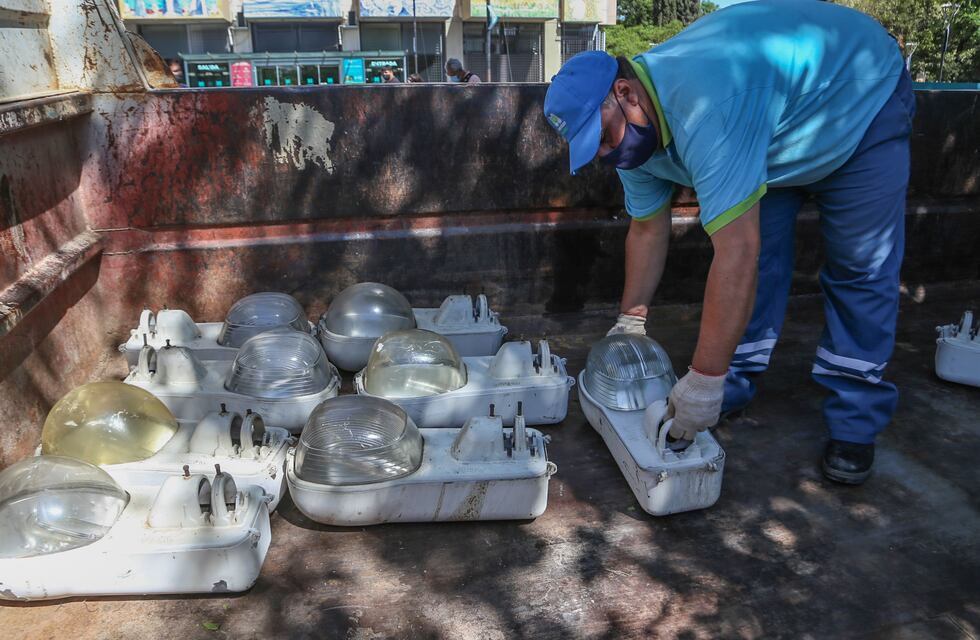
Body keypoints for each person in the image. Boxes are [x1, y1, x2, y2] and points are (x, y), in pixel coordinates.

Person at [544, 0, 914, 485]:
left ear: (625, 92)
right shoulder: (638, 139)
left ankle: (854, 418)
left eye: (605, 139)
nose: (608, 156)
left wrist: (700, 379)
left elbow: (735, 251)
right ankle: (733, 380)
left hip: (858, 98)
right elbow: (648, 228)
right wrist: (629, 320)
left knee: (860, 266)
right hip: (777, 126)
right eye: (595, 150)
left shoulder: (707, 109)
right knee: (761, 268)